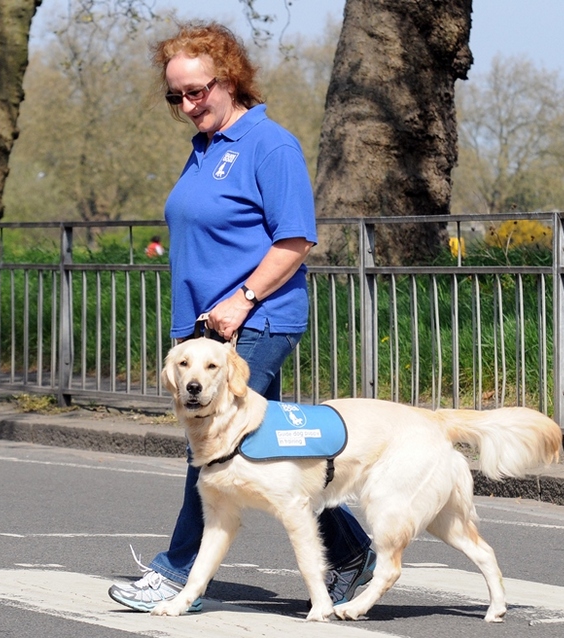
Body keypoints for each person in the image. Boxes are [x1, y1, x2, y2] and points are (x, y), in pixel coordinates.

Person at [108, 21, 374, 613]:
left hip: (257, 319)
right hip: (207, 328)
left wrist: (242, 299)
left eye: (197, 91)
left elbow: (295, 239)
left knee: (213, 444)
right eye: (175, 96)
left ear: (230, 80)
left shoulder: (268, 144)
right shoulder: (202, 148)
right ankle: (352, 552)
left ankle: (176, 575)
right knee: (264, 452)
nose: (186, 104)